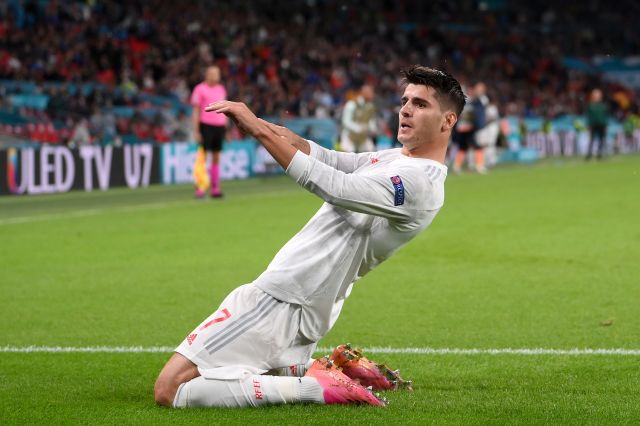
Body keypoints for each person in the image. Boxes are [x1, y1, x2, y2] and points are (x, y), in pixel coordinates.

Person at [154, 65, 464, 409]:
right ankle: (317, 368)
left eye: (420, 104)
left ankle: (314, 387)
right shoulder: (400, 159)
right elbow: (331, 159)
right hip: (310, 299)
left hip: (285, 297)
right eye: (405, 100)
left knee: (172, 387)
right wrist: (276, 131)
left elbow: (336, 186)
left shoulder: (419, 182)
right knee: (253, 370)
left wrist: (258, 129)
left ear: (447, 121)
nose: (405, 109)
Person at [191, 65, 227, 197]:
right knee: (203, 156)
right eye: (214, 73)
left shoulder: (221, 89)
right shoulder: (199, 89)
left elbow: (225, 109)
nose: (216, 76)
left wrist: (226, 127)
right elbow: (196, 111)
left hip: (219, 127)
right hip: (205, 125)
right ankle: (200, 187)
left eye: (218, 73)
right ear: (207, 75)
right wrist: (196, 130)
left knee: (216, 157)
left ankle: (215, 188)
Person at [452, 82, 487, 174]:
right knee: (477, 147)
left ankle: (456, 166)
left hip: (462, 128)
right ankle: (479, 166)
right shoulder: (473, 101)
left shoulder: (463, 101)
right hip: (468, 128)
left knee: (463, 147)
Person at [340, 83, 377, 153]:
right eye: (370, 92)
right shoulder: (351, 104)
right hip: (349, 136)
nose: (372, 94)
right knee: (349, 155)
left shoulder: (370, 107)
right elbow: (346, 121)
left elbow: (371, 120)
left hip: (362, 137)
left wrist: (373, 129)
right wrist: (358, 128)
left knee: (371, 152)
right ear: (363, 92)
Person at [585, 88, 609, 160]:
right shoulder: (591, 106)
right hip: (593, 125)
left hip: (602, 125)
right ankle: (589, 154)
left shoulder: (603, 105)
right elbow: (589, 117)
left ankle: (599, 154)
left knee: (601, 139)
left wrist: (606, 125)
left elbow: (605, 116)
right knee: (591, 139)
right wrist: (588, 125)